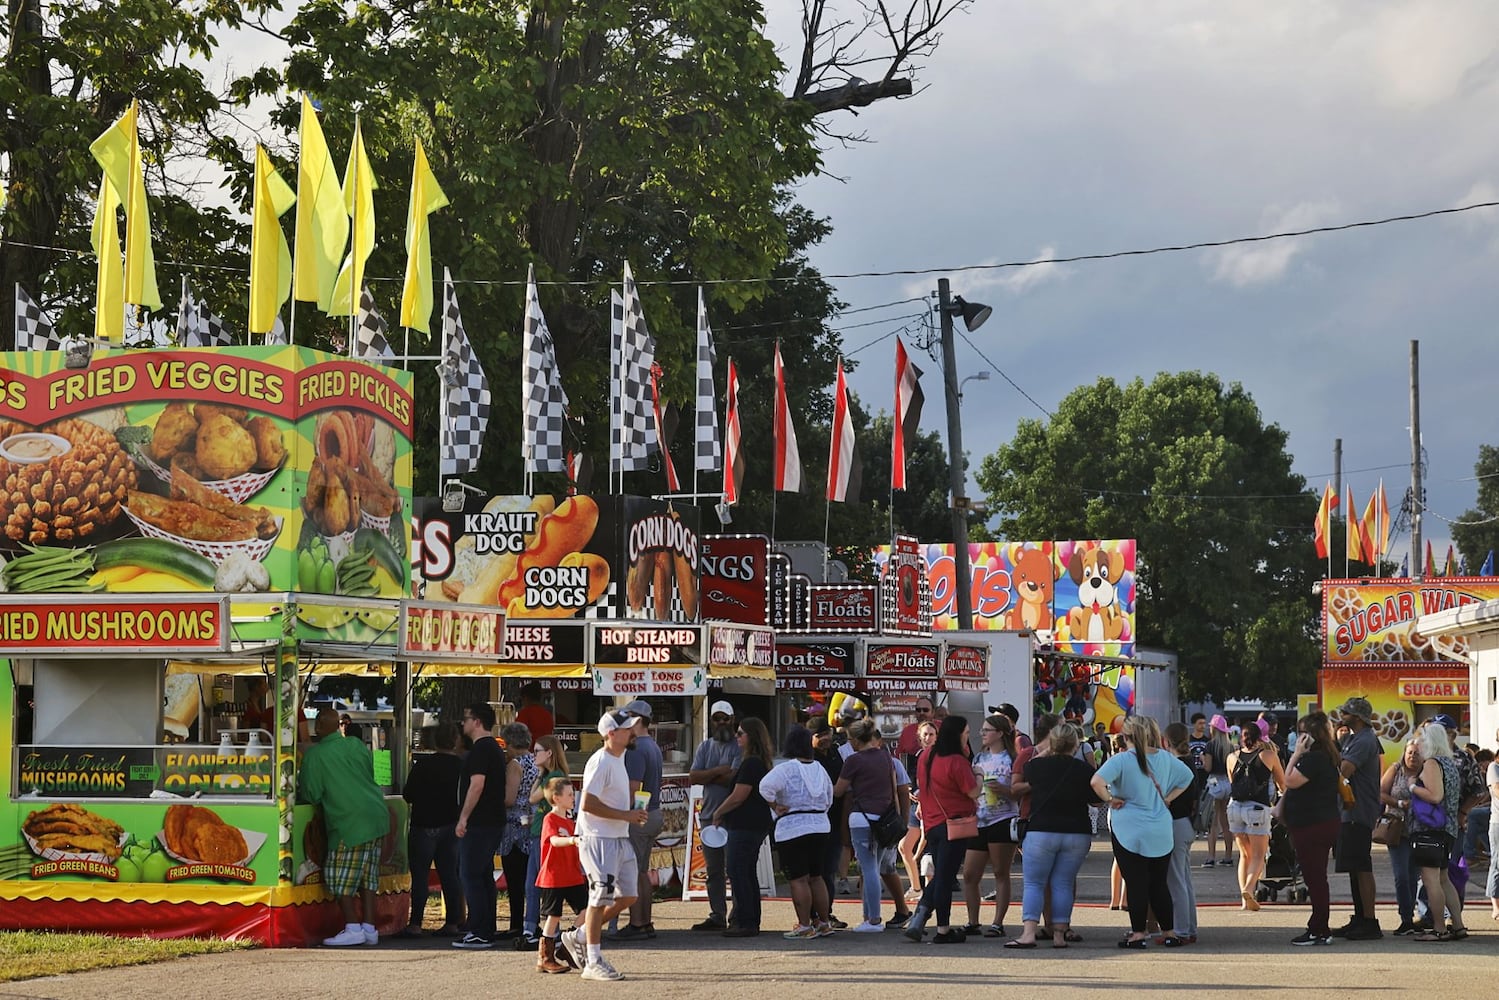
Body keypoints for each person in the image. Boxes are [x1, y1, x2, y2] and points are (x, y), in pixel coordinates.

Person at [1091, 715, 1193, 949]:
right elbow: (1186, 778)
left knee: (1136, 883)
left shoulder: (1123, 760)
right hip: (1160, 827)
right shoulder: (1167, 759)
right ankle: (1170, 932)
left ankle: (1138, 932)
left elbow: (1096, 781)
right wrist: (1167, 798)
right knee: (1159, 883)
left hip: (1129, 827)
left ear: (1125, 737)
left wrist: (1110, 799)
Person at [298, 707, 391, 947]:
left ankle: (352, 926)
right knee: (368, 876)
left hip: (349, 820)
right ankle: (369, 927)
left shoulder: (315, 756)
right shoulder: (356, 745)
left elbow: (311, 794)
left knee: (338, 876)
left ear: (318, 725)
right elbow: (367, 774)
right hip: (376, 814)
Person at [567, 708, 649, 981]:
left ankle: (580, 935)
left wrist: (632, 813)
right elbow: (587, 804)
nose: (633, 732)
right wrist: (627, 814)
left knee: (629, 895)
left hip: (618, 835)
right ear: (611, 734)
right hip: (597, 837)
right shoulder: (601, 761)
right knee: (600, 896)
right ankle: (593, 959)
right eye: (627, 729)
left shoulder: (620, 757)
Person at [1005, 723, 1098, 948]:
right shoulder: (1084, 770)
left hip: (1041, 830)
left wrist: (1050, 749)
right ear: (1076, 744)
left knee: (1034, 883)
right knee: (1063, 883)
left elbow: (1029, 766)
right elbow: (1095, 799)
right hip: (1076, 832)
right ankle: (1059, 935)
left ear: (1053, 742)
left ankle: (1028, 933)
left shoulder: (1037, 767)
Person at [903, 714, 978, 944]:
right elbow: (973, 791)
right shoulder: (956, 760)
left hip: (932, 823)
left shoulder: (926, 755)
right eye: (965, 734)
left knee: (941, 875)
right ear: (957, 735)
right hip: (953, 824)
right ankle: (940, 928)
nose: (968, 738)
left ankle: (922, 917)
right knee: (944, 877)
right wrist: (981, 775)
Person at [760, 726, 836, 939]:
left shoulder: (786, 769)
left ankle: (804, 925)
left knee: (798, 878)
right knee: (816, 877)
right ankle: (824, 922)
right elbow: (829, 797)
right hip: (820, 824)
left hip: (793, 827)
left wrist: (775, 805)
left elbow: (764, 786)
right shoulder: (820, 768)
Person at [835, 717, 906, 932]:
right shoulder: (886, 757)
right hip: (884, 818)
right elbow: (895, 789)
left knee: (868, 869)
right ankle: (868, 917)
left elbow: (839, 791)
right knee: (872, 867)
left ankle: (873, 918)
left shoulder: (853, 761)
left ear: (857, 740)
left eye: (850, 740)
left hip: (861, 817)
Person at [1280, 712, 1342, 945]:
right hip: (1321, 821)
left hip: (1312, 825)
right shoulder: (1328, 754)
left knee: (1315, 878)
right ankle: (1319, 926)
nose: (1298, 737)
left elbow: (1289, 780)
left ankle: (1318, 928)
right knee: (1317, 877)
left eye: (1301, 733)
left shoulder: (1313, 759)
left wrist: (1296, 754)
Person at [399, 720, 464, 938]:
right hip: (451, 825)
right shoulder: (461, 767)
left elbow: (408, 794)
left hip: (423, 824)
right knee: (450, 875)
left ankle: (416, 922)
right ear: (456, 740)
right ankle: (453, 922)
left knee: (420, 876)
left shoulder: (423, 765)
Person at [712, 716, 775, 937]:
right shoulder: (758, 761)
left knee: (738, 870)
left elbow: (740, 795)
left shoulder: (751, 763)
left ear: (752, 737)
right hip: (753, 823)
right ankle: (749, 919)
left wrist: (719, 811)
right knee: (746, 871)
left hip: (746, 823)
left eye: (740, 733)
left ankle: (746, 921)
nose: (737, 737)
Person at [453, 702, 507, 950]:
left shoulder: (481, 750)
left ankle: (479, 929)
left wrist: (464, 817)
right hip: (492, 821)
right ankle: (486, 927)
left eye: (466, 718)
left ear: (476, 721)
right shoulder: (493, 748)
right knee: (483, 875)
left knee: (470, 874)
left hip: (480, 822)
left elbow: (477, 785)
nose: (462, 723)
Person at [962, 713, 1020, 937]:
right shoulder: (979, 759)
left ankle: (998, 923)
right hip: (979, 818)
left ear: (1000, 733)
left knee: (1000, 872)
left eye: (987, 730)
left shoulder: (1011, 758)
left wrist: (1004, 790)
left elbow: (1020, 792)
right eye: (982, 730)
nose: (982, 734)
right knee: (969, 874)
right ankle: (972, 921)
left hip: (1003, 819)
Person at [1408, 721, 1467, 942]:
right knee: (1443, 879)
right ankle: (1458, 926)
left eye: (1422, 740)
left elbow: (1435, 796)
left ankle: (1439, 928)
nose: (1419, 744)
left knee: (1431, 880)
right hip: (1448, 828)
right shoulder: (1450, 763)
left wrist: (1413, 786)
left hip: (1431, 829)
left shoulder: (1432, 763)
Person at [688, 700, 742, 932]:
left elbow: (734, 778)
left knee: (735, 868)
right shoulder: (705, 746)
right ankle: (717, 914)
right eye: (716, 718)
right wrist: (719, 771)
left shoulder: (739, 746)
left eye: (725, 718)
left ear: (732, 720)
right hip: (709, 814)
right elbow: (693, 776)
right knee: (713, 870)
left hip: (733, 815)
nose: (721, 722)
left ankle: (738, 914)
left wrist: (708, 775)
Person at [1332, 696, 1383, 939]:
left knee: (1362, 866)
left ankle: (1370, 921)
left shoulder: (1364, 740)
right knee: (1354, 866)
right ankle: (1360, 916)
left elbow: (1344, 770)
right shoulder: (1354, 738)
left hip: (1358, 810)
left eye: (1347, 712)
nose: (1342, 715)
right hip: (1350, 810)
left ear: (1359, 717)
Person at [1226, 717, 1285, 911]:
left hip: (1234, 807)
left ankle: (1245, 900)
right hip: (1257, 808)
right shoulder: (1268, 755)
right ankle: (1249, 890)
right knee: (1259, 855)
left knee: (1244, 855)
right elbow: (1282, 782)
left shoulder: (1231, 757)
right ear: (1260, 737)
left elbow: (1232, 781)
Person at [618, 699, 665, 941]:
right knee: (643, 871)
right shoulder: (653, 746)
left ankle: (637, 923)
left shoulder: (636, 749)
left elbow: (633, 787)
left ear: (636, 720)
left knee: (634, 872)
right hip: (654, 812)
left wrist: (624, 814)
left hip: (641, 814)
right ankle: (645, 921)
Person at [535, 777, 586, 974]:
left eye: (573, 794)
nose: (573, 798)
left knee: (586, 910)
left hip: (572, 875)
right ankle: (545, 957)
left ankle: (567, 945)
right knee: (553, 916)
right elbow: (554, 841)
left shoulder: (571, 821)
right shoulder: (550, 819)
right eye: (569, 795)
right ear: (556, 798)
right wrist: (572, 841)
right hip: (554, 875)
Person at [524, 735, 570, 946]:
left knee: (545, 883)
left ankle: (546, 929)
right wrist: (540, 773)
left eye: (537, 751)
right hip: (538, 831)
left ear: (549, 753)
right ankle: (531, 926)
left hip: (546, 835)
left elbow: (532, 798)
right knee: (532, 883)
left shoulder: (555, 777)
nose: (534, 755)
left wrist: (541, 774)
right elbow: (532, 798)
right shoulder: (547, 776)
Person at [497, 721, 539, 942]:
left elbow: (509, 798)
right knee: (529, 878)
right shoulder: (534, 760)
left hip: (514, 826)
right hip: (531, 823)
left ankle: (516, 924)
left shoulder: (515, 764)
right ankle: (531, 921)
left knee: (514, 880)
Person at [1161, 721, 1200, 945]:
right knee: (1184, 879)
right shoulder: (1190, 764)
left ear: (1166, 741)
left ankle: (1181, 929)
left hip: (1175, 823)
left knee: (1175, 880)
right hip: (1186, 823)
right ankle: (1189, 927)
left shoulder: (1174, 766)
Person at [1380, 736, 1424, 935]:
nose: (1413, 756)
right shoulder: (1396, 769)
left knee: (1414, 875)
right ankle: (1405, 917)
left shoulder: (1426, 772)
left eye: (1416, 753)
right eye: (1410, 752)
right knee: (1401, 876)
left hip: (1419, 830)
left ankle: (1412, 917)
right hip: (1397, 828)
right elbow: (1380, 792)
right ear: (1404, 753)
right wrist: (1398, 804)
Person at [898, 718, 935, 902]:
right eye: (925, 735)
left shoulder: (938, 757)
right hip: (916, 806)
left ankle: (928, 895)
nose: (928, 738)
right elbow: (911, 781)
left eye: (931, 734)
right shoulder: (915, 757)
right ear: (919, 738)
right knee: (905, 847)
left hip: (931, 808)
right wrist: (912, 790)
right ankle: (916, 887)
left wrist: (922, 793)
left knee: (926, 854)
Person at [1201, 714, 1234, 867]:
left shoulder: (1210, 745)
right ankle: (1228, 856)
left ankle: (1211, 857)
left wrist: (1202, 760)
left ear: (1213, 728)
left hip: (1214, 782)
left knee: (1213, 823)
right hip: (1228, 782)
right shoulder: (1231, 746)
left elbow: (1207, 768)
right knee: (1226, 821)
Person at [894, 696, 936, 770]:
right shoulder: (907, 731)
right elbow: (899, 757)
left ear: (933, 712)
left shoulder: (943, 727)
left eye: (925, 710)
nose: (921, 713)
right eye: (918, 710)